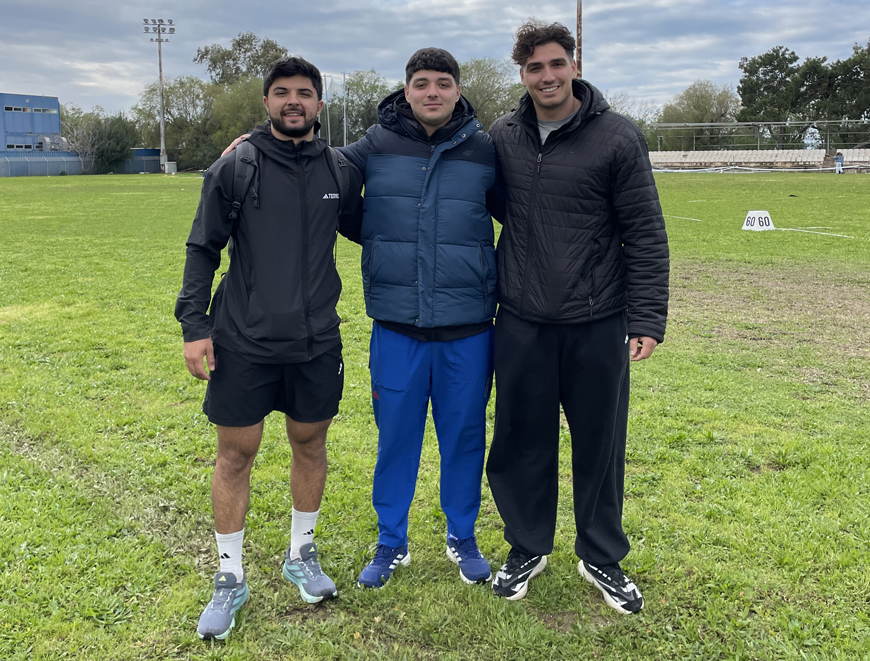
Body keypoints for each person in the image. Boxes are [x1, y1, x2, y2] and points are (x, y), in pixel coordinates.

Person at [175, 56, 363, 641]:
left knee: (310, 443)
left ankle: (300, 553)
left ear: (319, 105)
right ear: (266, 102)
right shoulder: (235, 167)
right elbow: (202, 248)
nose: (293, 101)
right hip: (243, 340)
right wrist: (194, 326)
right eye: (281, 92)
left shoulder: (340, 169)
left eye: (304, 93)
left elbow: (370, 227)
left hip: (316, 341)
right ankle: (229, 575)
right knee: (237, 453)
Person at [485, 21, 670, 614]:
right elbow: (486, 200)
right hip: (522, 319)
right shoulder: (502, 136)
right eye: (535, 67)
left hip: (598, 319)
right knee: (521, 441)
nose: (547, 76)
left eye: (556, 63)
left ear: (574, 64)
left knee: (600, 445)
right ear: (522, 73)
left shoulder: (618, 136)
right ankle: (527, 546)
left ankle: (601, 555)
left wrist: (647, 316)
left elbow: (645, 231)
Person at [339, 48, 498, 589]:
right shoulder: (374, 144)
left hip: (468, 329)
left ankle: (462, 536)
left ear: (458, 90)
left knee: (464, 438)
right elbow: (319, 170)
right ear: (405, 90)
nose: (433, 92)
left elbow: (523, 211)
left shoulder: (484, 149)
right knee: (396, 440)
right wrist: (257, 143)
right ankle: (391, 541)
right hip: (397, 328)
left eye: (443, 83)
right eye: (422, 83)